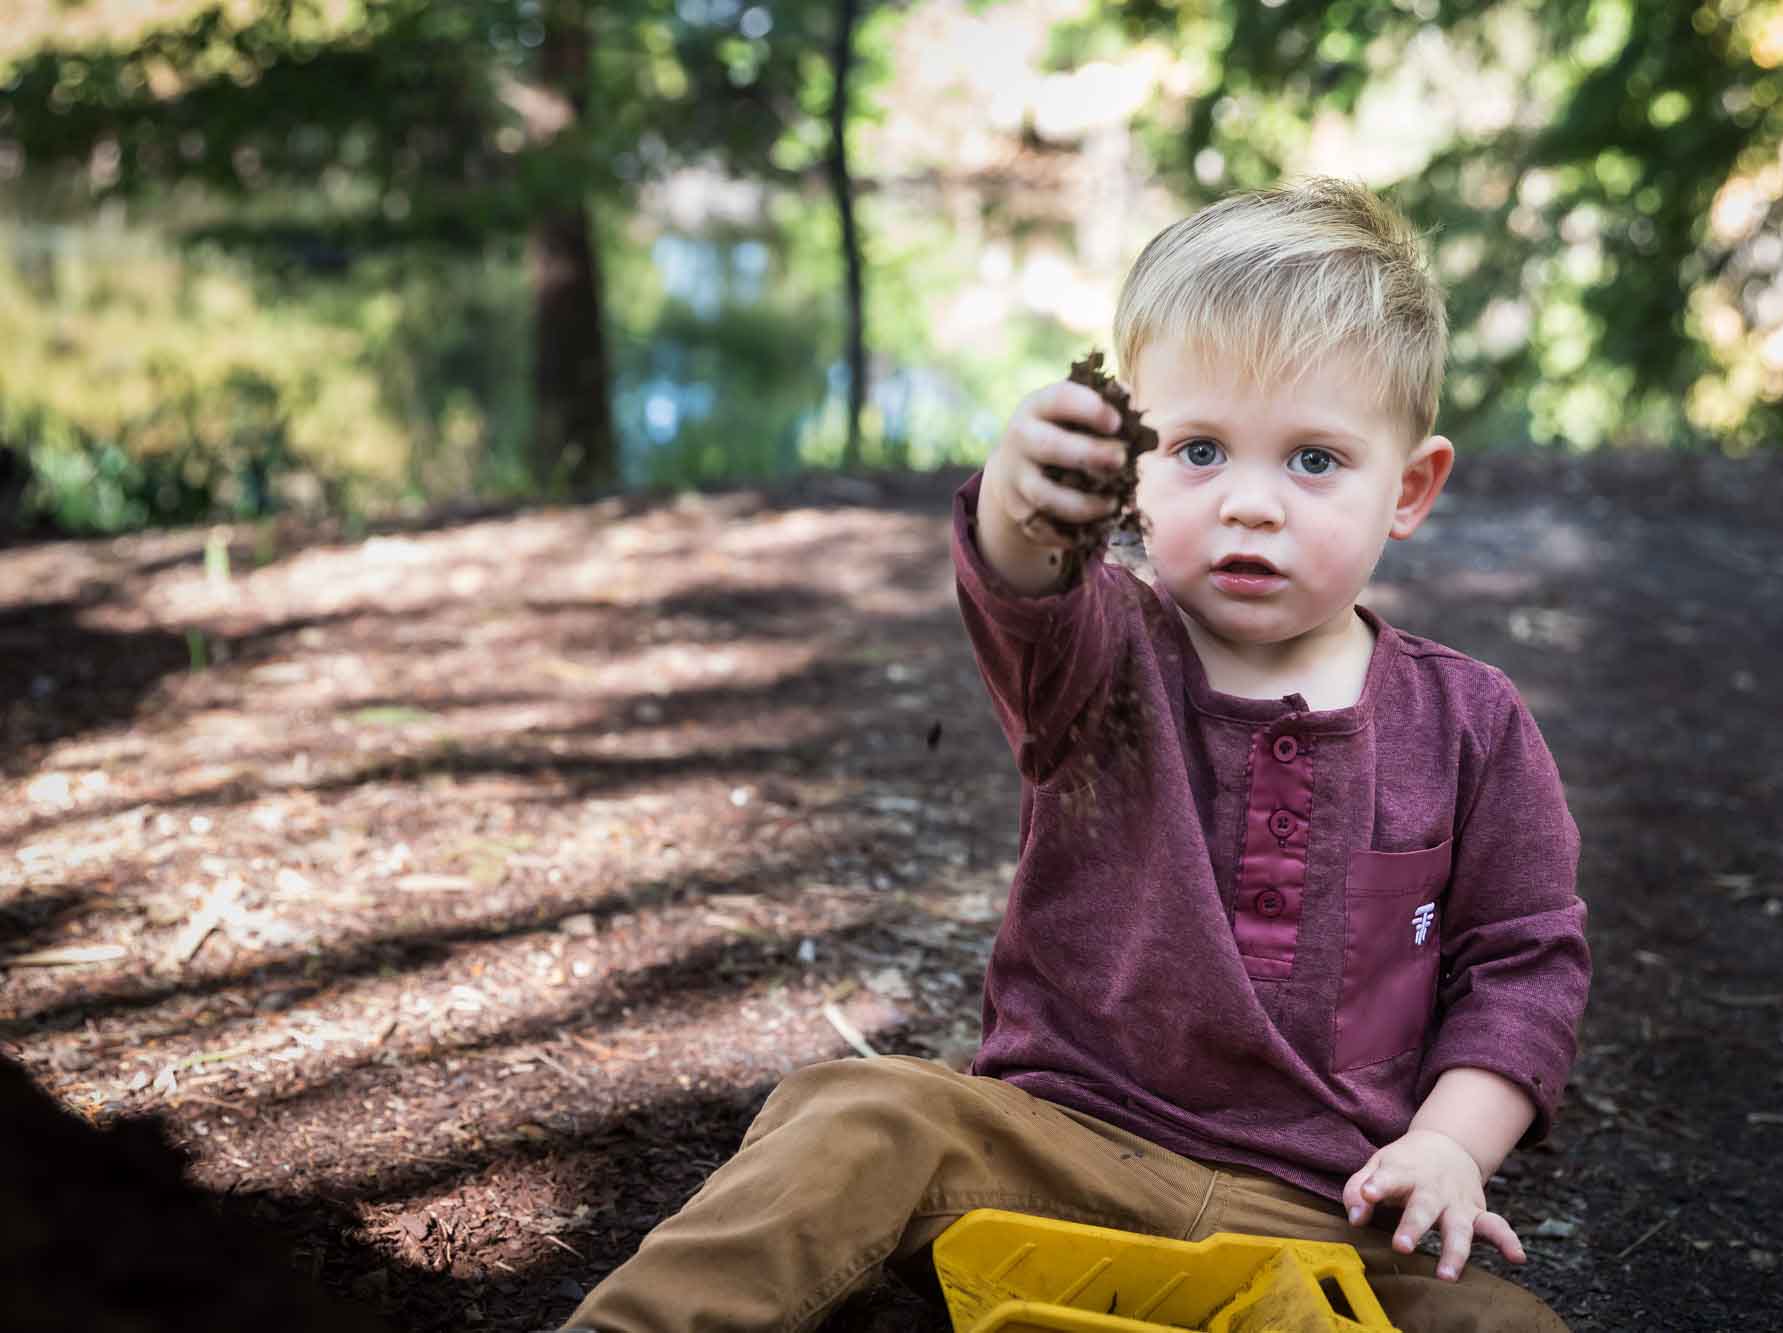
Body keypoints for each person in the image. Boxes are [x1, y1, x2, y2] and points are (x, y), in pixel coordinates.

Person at [560, 177, 1590, 1333]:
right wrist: (1023, 492)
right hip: (1053, 1159)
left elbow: (1521, 962)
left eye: (1312, 461)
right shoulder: (1104, 655)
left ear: (1407, 487)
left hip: (1326, 1215)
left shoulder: (1471, 723)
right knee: (866, 1117)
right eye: (1198, 449)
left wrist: (1449, 1147)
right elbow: (1020, 584)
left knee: (1502, 1326)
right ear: (1131, 469)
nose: (1249, 504)